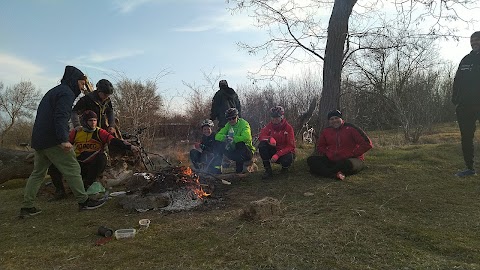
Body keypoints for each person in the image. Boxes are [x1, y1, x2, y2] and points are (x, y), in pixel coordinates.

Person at [20, 66, 106, 218]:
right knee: (73, 168)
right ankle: (84, 201)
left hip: (40, 139)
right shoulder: (66, 93)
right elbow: (60, 116)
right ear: (74, 81)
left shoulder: (55, 91)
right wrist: (63, 139)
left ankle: (27, 207)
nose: (82, 87)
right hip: (53, 139)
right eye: (81, 83)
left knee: (38, 173)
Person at [48, 110, 139, 196]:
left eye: (95, 120)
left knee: (102, 157)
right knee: (54, 165)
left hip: (93, 165)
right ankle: (60, 191)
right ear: (84, 121)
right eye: (90, 120)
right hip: (78, 164)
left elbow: (114, 141)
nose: (93, 123)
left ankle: (87, 185)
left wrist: (130, 147)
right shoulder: (76, 132)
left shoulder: (99, 132)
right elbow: (66, 144)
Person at [307, 110, 373, 180]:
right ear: (329, 121)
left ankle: (324, 172)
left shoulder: (351, 128)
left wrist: (353, 154)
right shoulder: (326, 131)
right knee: (311, 160)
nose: (334, 120)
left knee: (346, 164)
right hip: (333, 160)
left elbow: (367, 143)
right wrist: (328, 153)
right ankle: (335, 174)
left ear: (341, 119)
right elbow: (320, 146)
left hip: (351, 159)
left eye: (336, 118)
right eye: (331, 119)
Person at [452, 31, 480, 177]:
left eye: (477, 40)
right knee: (466, 138)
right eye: (472, 41)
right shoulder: (465, 60)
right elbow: (457, 80)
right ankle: (470, 168)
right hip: (465, 107)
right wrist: (455, 99)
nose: (474, 43)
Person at [258, 106, 296, 179]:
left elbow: (291, 146)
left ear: (282, 117)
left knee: (288, 158)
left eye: (277, 117)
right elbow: (261, 136)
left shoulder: (288, 128)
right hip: (274, 150)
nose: (275, 119)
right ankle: (268, 170)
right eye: (273, 117)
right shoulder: (269, 126)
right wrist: (269, 138)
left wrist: (278, 154)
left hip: (284, 152)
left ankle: (285, 169)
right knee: (262, 145)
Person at [215, 108, 255, 174]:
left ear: (237, 116)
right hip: (234, 151)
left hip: (247, 152)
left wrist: (233, 139)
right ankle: (217, 168)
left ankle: (239, 169)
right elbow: (217, 136)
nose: (231, 120)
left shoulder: (244, 124)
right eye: (229, 119)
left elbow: (246, 137)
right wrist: (225, 138)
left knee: (239, 144)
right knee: (219, 144)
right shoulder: (228, 125)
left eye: (233, 118)